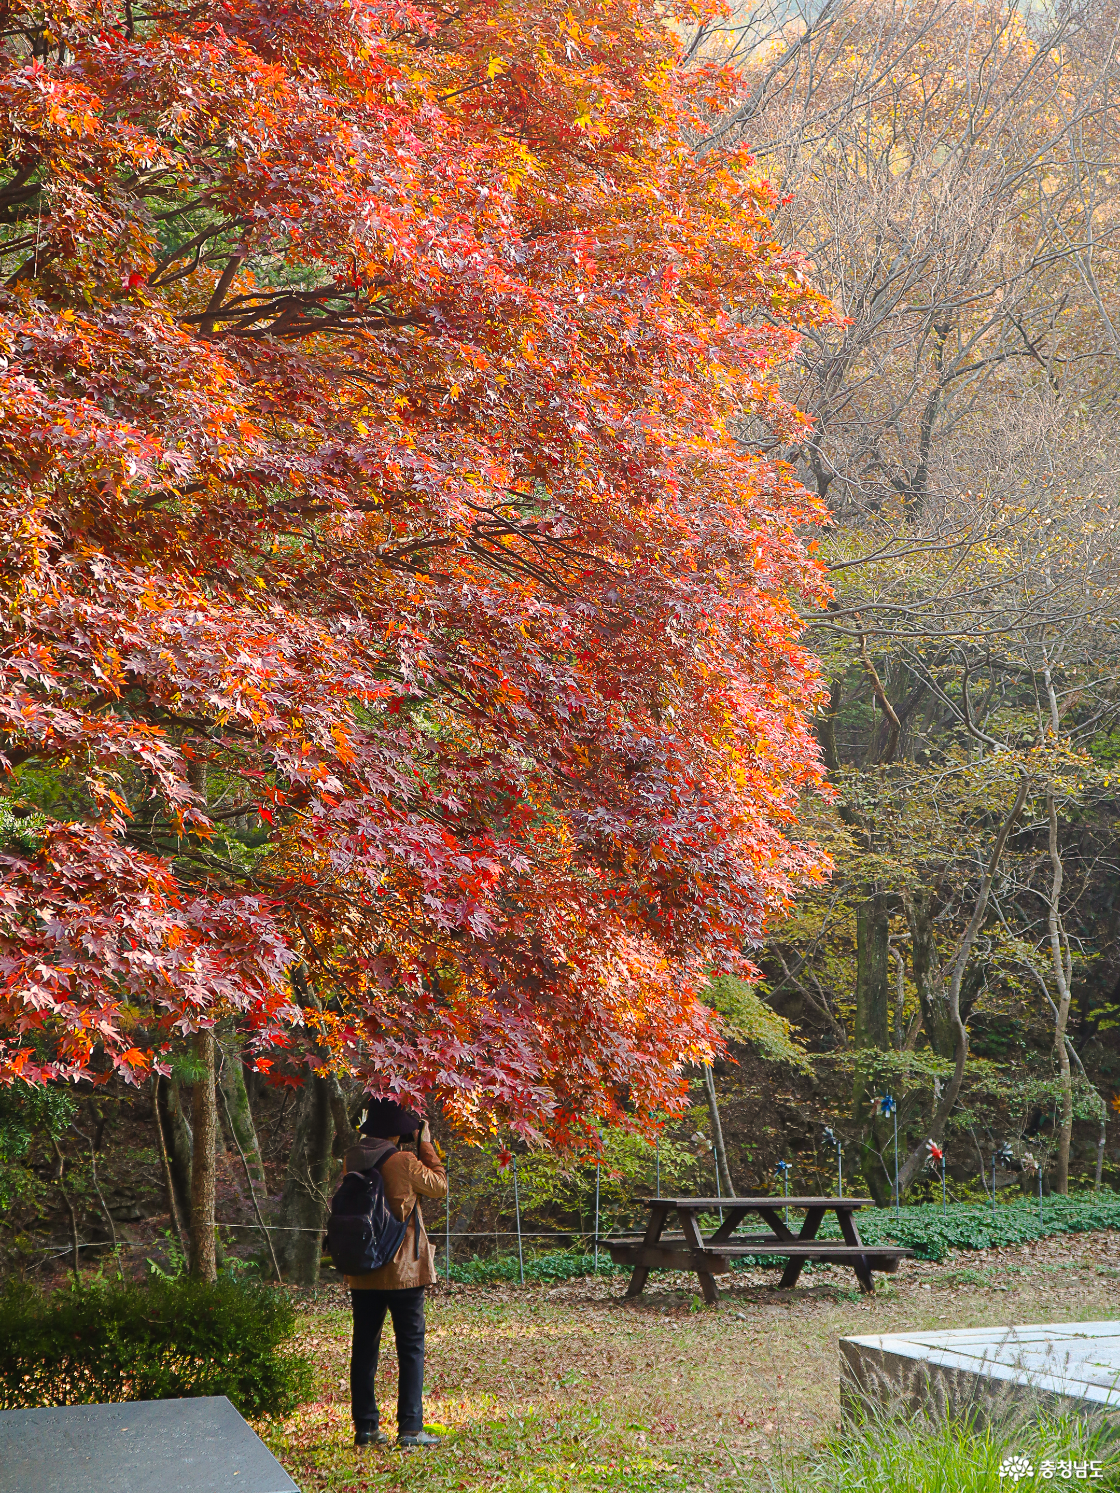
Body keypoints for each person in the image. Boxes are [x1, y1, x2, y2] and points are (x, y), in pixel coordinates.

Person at [343, 1097, 448, 1449]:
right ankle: (410, 1428)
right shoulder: (404, 1160)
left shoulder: (353, 1157)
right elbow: (439, 1186)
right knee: (410, 1347)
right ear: (399, 1130)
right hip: (402, 1269)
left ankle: (366, 1428)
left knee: (365, 1348)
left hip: (363, 1268)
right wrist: (426, 1144)